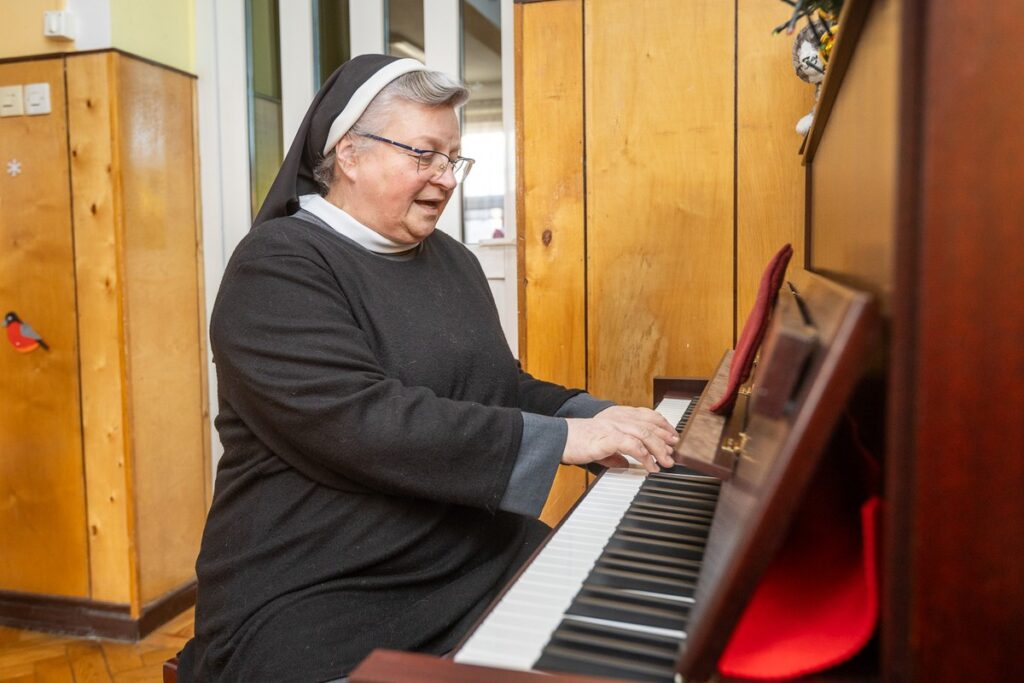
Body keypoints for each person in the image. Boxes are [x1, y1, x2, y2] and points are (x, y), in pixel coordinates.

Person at [177, 54, 678, 682]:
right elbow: (360, 422)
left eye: (453, 160)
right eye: (424, 155)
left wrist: (594, 415)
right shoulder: (278, 265)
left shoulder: (453, 261)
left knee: (633, 630)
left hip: (471, 555)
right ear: (350, 154)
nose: (445, 178)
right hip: (328, 593)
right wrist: (566, 440)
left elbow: (500, 387)